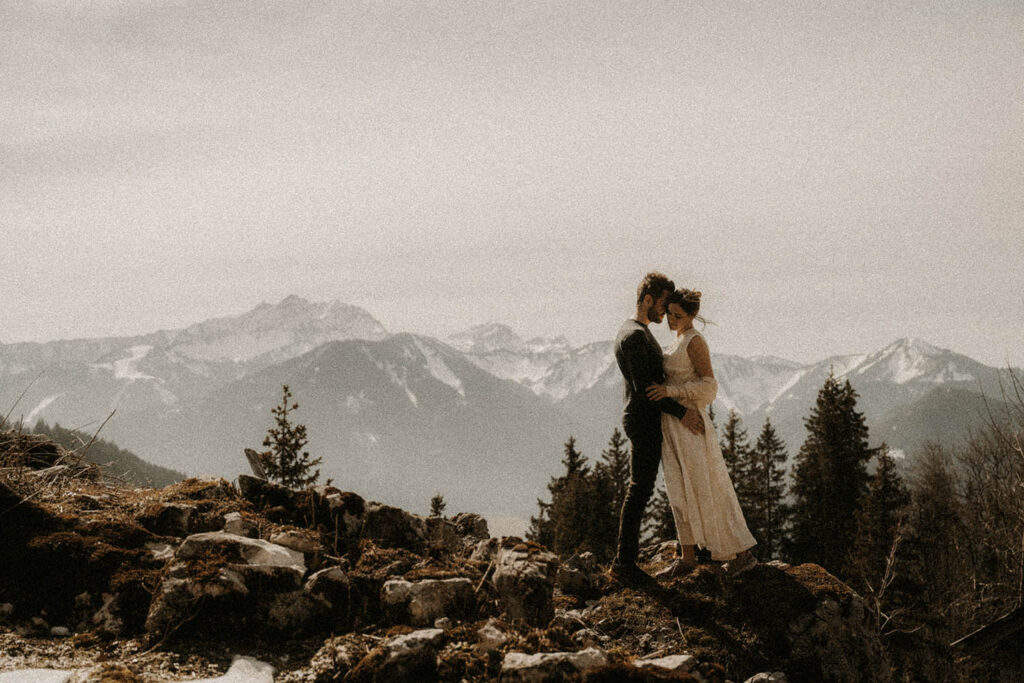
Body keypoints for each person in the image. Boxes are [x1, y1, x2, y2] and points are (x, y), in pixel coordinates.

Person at [646, 289, 757, 578]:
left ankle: (742, 553)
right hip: (672, 424)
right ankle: (688, 556)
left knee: (709, 485)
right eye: (669, 314)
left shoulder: (695, 341)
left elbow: (709, 387)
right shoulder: (677, 341)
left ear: (693, 315)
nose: (671, 320)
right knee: (678, 487)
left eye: (678, 315)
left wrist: (672, 392)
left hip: (691, 423)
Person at [610, 272, 706, 583]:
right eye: (662, 304)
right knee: (639, 489)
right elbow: (646, 388)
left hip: (645, 418)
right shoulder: (635, 336)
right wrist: (681, 412)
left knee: (641, 488)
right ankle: (624, 564)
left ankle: (625, 562)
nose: (665, 312)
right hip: (643, 419)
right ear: (648, 300)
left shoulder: (636, 331)